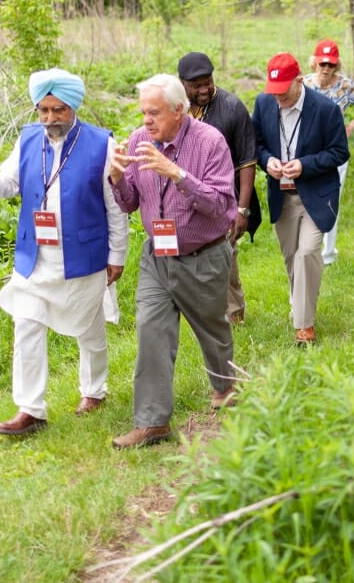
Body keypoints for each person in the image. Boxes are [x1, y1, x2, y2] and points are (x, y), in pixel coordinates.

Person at [0, 68, 129, 436]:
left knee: (89, 328)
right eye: (43, 110)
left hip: (84, 256)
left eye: (58, 110)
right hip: (35, 257)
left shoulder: (101, 144)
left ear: (73, 107)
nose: (50, 119)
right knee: (26, 323)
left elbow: (116, 206)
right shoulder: (29, 139)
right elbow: (9, 184)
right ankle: (31, 409)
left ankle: (94, 390)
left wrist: (117, 256)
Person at [108, 73, 238, 449]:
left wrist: (178, 175)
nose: (146, 121)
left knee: (212, 329)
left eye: (155, 113)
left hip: (204, 256)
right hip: (157, 257)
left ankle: (225, 385)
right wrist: (117, 177)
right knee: (150, 330)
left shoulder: (210, 142)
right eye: (143, 113)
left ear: (179, 111)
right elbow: (130, 201)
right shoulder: (138, 140)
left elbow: (220, 206)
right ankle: (153, 422)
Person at [252, 53, 349, 346]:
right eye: (274, 92)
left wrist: (305, 164)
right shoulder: (264, 102)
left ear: (299, 82)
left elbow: (339, 152)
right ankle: (301, 306)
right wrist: (267, 161)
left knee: (307, 253)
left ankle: (304, 327)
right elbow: (255, 144)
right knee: (292, 258)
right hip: (281, 196)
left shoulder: (326, 110)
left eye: (283, 92)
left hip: (315, 196)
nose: (278, 98)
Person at [177, 52, 261, 324]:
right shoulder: (175, 108)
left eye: (208, 82)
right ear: (182, 83)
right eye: (196, 85)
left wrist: (242, 208)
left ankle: (233, 312)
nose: (204, 90)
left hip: (223, 199)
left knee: (224, 256)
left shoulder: (232, 107)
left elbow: (247, 161)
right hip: (184, 198)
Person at [302, 39, 354, 266]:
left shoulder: (345, 85)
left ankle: (329, 253)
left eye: (331, 65)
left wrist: (351, 126)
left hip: (335, 150)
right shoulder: (304, 84)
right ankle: (308, 245)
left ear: (337, 66)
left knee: (331, 199)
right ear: (314, 62)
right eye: (322, 63)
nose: (326, 68)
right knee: (305, 197)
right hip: (308, 151)